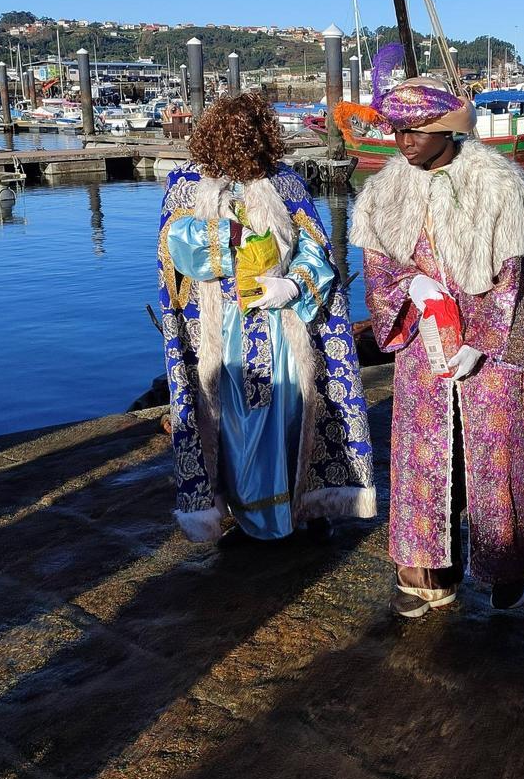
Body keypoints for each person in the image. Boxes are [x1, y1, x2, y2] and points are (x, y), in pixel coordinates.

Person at [343, 47, 524, 618]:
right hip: (421, 349)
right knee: (424, 457)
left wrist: (480, 341)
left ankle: (505, 567)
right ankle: (426, 571)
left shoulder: (499, 186)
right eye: (396, 132)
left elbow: (519, 278)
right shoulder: (385, 191)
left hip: (493, 354)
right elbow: (381, 270)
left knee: (495, 455)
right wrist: (410, 286)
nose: (404, 143)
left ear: (445, 129)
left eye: (415, 132)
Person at [158, 93, 376, 544]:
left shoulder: (286, 183)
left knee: (289, 411)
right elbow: (174, 249)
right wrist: (229, 234)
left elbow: (316, 249)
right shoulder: (186, 184)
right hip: (221, 329)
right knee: (229, 423)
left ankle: (296, 506)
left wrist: (293, 285)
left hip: (282, 323)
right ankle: (241, 511)